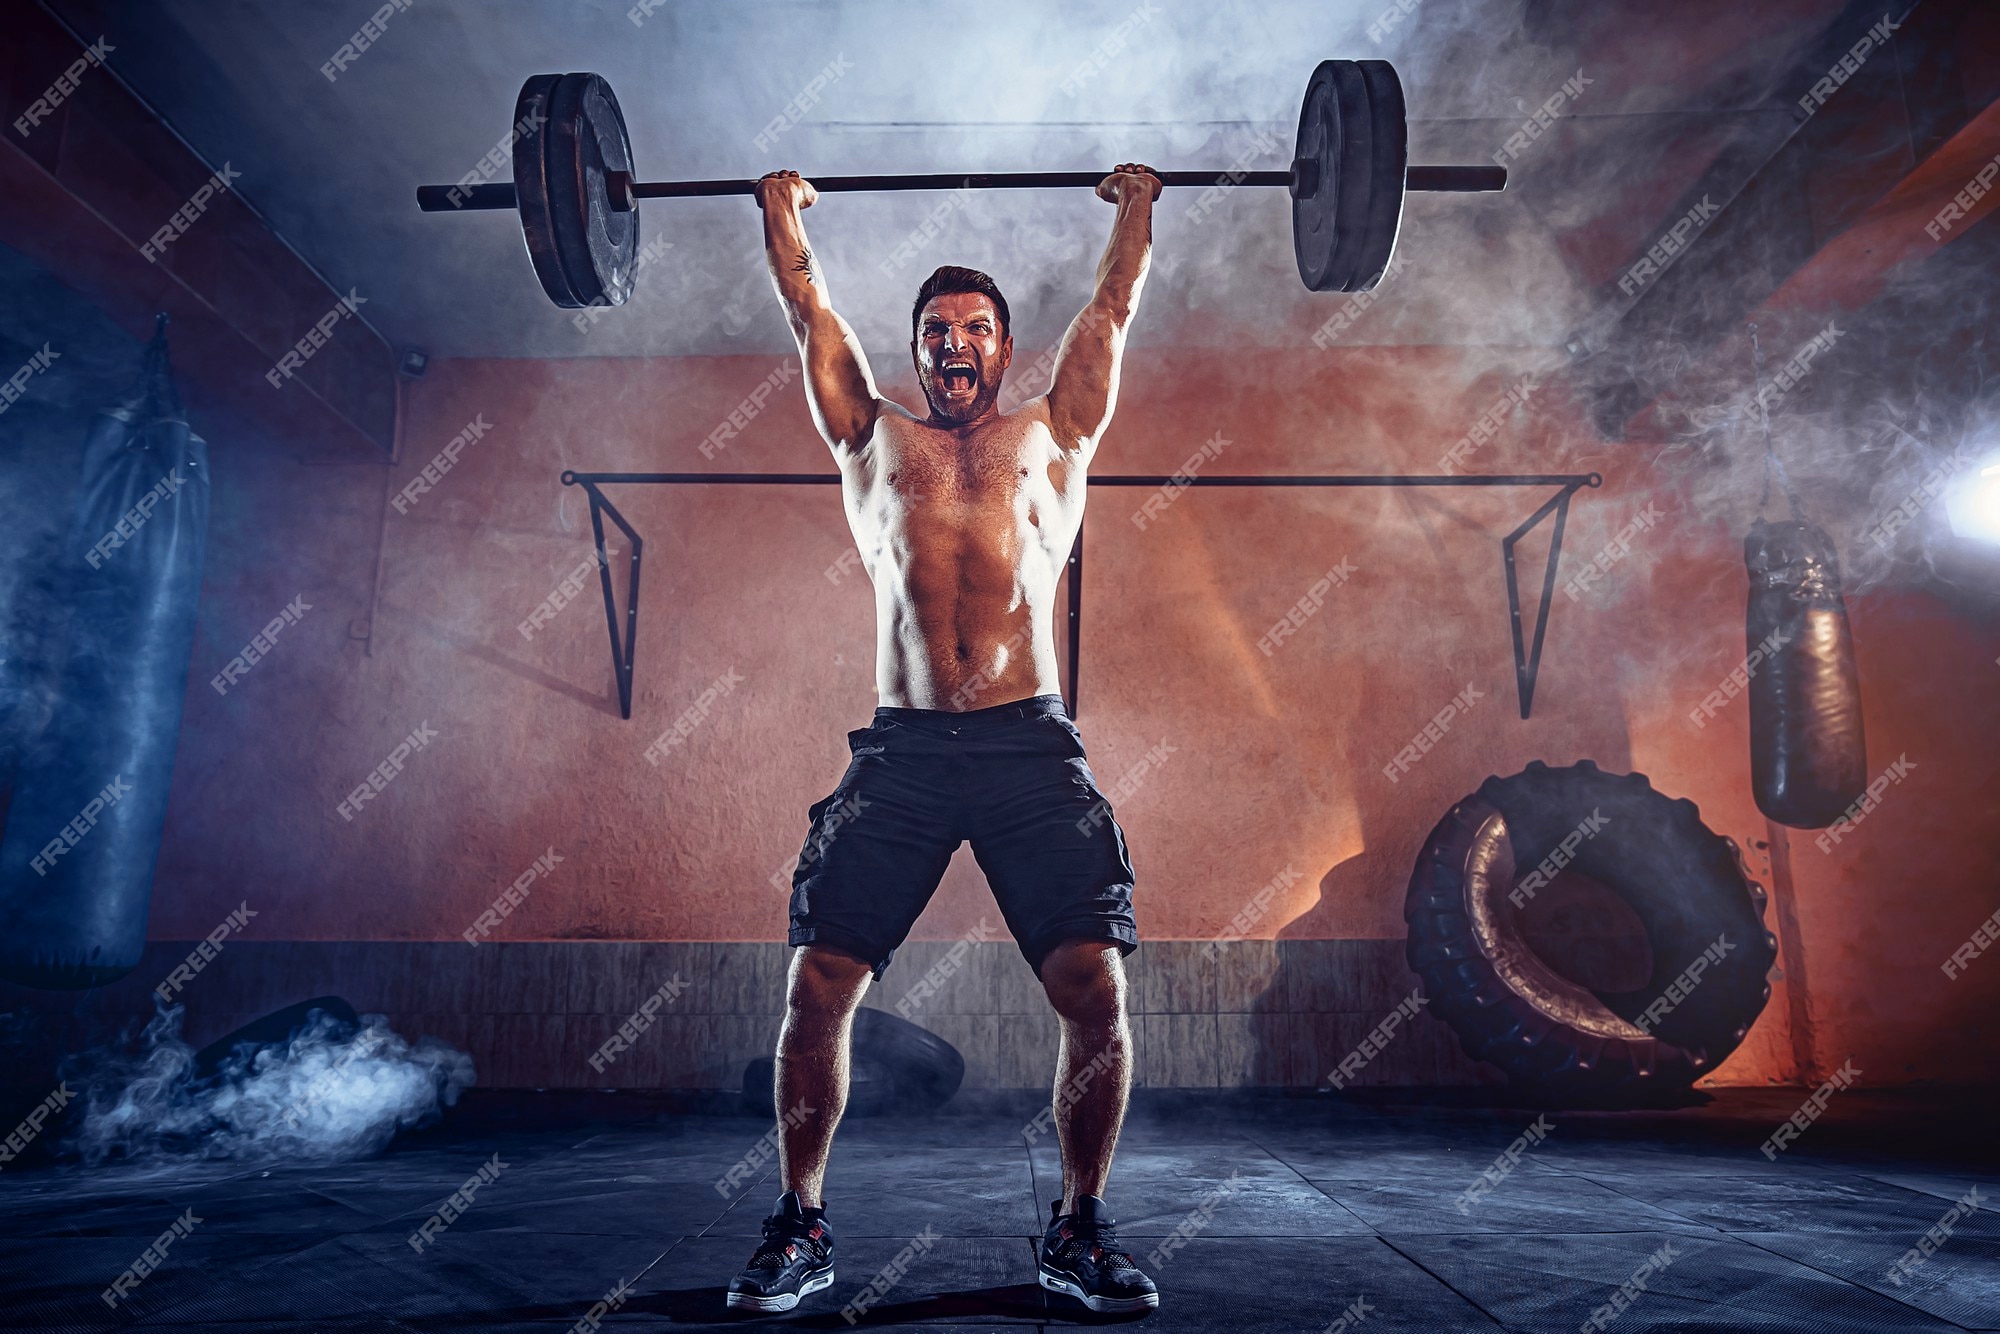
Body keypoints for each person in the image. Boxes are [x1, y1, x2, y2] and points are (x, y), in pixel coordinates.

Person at [724, 164, 1163, 1316]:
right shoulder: (869, 440)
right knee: (818, 982)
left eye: (973, 327)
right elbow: (806, 310)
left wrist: (1137, 211)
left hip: (1028, 746)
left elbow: (1112, 310)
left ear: (1004, 346)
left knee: (1092, 986)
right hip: (907, 751)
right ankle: (800, 1221)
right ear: (914, 349)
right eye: (934, 329)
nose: (952, 342)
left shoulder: (1053, 434)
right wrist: (780, 213)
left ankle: (1076, 1226)